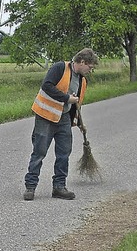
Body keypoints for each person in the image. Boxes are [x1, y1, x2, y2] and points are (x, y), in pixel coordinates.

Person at [23, 47, 99, 201]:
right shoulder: (60, 68)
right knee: (39, 152)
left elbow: (76, 104)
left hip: (64, 118)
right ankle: (30, 187)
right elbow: (47, 86)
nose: (90, 70)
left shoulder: (83, 81)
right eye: (90, 67)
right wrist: (66, 98)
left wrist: (78, 123)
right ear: (82, 62)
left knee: (64, 154)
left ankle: (59, 187)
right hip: (45, 116)